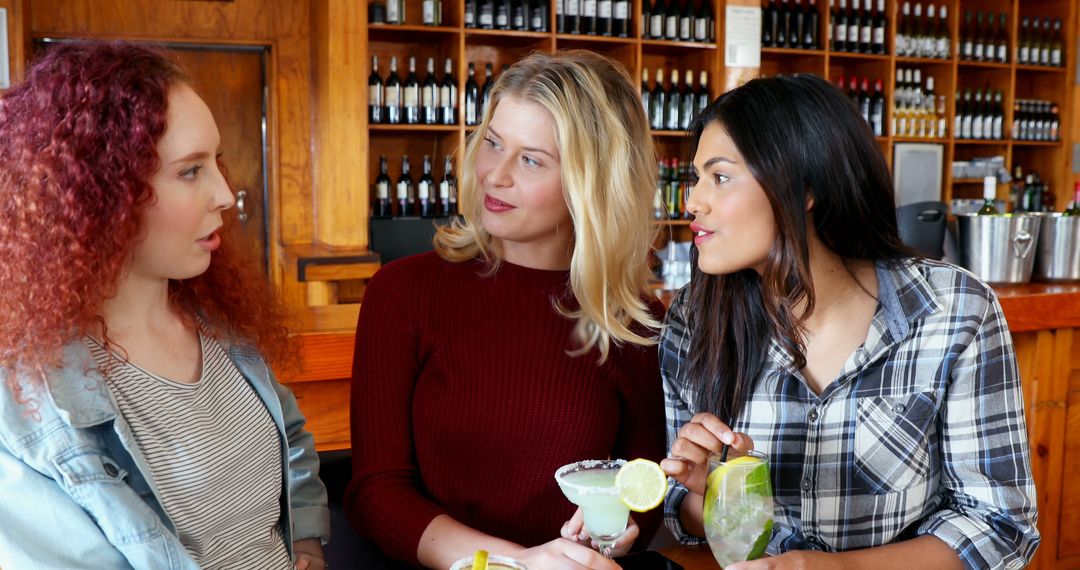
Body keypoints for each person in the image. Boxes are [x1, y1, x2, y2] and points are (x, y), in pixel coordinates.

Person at [659, 74, 1039, 569]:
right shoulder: (692, 322)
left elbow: (999, 526)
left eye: (720, 176)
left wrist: (837, 569)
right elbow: (680, 515)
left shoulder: (954, 311)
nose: (692, 202)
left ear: (804, 188)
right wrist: (708, 492)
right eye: (695, 179)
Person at [0, 41, 330, 569]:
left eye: (214, 163)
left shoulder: (218, 323)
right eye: (190, 171)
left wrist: (307, 543)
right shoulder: (27, 405)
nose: (225, 193)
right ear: (98, 194)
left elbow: (289, 437)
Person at [346, 50, 667, 569]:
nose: (494, 175)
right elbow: (377, 493)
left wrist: (614, 529)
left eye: (532, 159)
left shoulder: (634, 322)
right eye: (492, 144)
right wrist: (519, 564)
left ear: (591, 184)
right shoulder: (402, 293)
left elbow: (641, 490)